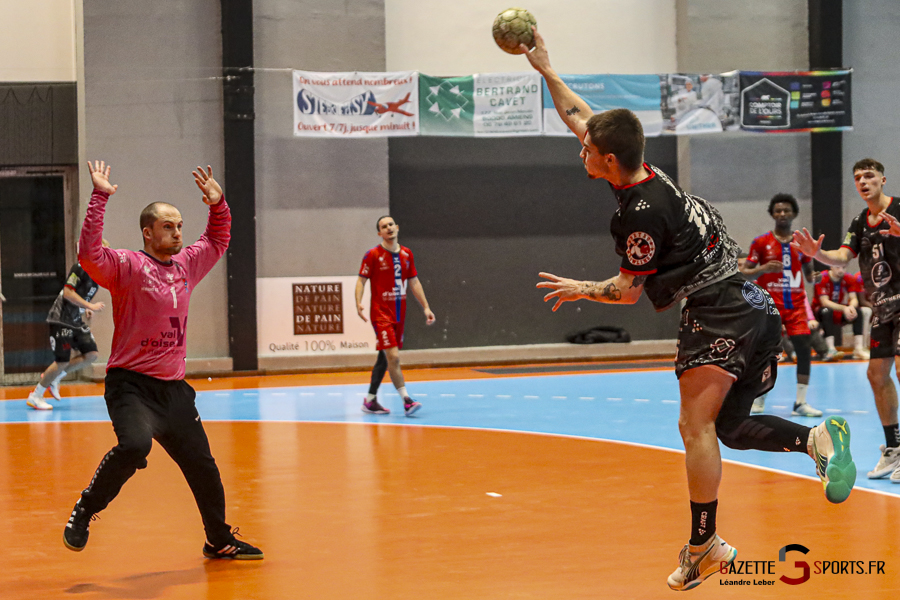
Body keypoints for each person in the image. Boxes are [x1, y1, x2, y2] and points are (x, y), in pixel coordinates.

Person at [522, 28, 856, 591]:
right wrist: (547, 70)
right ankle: (813, 441)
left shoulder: (636, 217)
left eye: (585, 150)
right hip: (755, 305)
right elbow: (583, 117)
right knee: (729, 426)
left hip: (718, 310)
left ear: (607, 160)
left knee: (693, 426)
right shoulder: (648, 175)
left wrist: (581, 287)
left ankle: (704, 545)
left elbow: (628, 292)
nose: (578, 147)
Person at [63, 160, 262, 560]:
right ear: (148, 232)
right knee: (135, 446)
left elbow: (218, 240)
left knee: (204, 468)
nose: (177, 232)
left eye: (180, 225)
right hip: (131, 386)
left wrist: (218, 203)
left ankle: (217, 539)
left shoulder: (187, 264)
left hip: (174, 392)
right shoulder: (127, 267)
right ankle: (85, 508)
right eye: (168, 226)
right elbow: (89, 255)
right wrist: (99, 197)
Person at [793, 157, 900, 482]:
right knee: (876, 374)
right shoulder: (859, 223)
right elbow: (842, 255)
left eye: (869, 176)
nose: (863, 181)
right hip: (883, 308)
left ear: (883, 179)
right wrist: (817, 255)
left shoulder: (899, 209)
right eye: (858, 177)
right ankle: (894, 448)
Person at [739, 194, 827, 417]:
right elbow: (744, 274)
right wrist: (762, 269)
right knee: (766, 352)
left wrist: (816, 277)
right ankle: (759, 397)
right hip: (770, 306)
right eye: (778, 210)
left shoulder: (801, 244)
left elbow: (809, 275)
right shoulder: (760, 243)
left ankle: (800, 402)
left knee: (804, 351)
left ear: (794, 213)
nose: (782, 214)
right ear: (772, 214)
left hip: (796, 306)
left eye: (786, 210)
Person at [356, 215, 435, 416]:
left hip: (399, 314)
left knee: (385, 359)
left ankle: (371, 400)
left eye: (391, 224)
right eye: (384, 226)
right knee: (393, 356)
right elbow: (361, 281)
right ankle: (407, 400)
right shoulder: (372, 255)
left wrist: (426, 307)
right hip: (381, 314)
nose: (388, 228)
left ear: (397, 227)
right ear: (379, 233)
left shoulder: (407, 254)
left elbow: (414, 282)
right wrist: (358, 303)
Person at [27, 246, 109, 410]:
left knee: (91, 354)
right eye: (104, 254)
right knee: (62, 361)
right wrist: (90, 306)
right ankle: (36, 395)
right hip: (61, 319)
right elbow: (68, 293)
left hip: (75, 319)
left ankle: (56, 378)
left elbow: (79, 297)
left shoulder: (96, 277)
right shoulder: (80, 268)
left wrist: (84, 308)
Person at [813, 265, 870, 360]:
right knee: (827, 311)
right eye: (838, 267)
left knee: (858, 312)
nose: (841, 270)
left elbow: (854, 299)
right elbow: (824, 302)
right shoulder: (822, 277)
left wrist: (851, 308)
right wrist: (844, 308)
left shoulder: (848, 278)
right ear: (831, 266)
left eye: (844, 268)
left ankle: (858, 349)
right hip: (820, 311)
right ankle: (831, 349)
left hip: (838, 310)